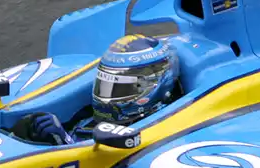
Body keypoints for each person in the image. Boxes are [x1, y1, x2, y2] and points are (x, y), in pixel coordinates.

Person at [10, 34, 182, 146]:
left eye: (122, 87)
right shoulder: (87, 119)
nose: (109, 96)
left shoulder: (168, 128)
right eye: (107, 85)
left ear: (157, 85)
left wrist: (65, 142)